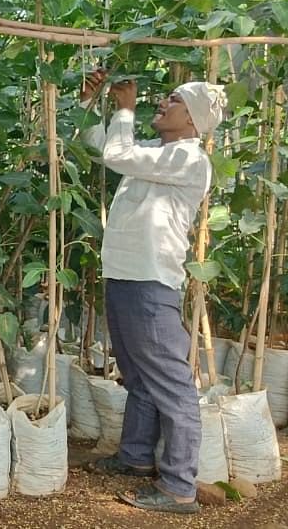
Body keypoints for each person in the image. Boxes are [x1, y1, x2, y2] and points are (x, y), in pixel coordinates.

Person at [79, 69, 225, 514]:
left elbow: (116, 154)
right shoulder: (158, 155)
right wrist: (91, 103)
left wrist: (124, 109)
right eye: (165, 98)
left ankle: (180, 486)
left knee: (170, 384)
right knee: (139, 376)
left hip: (150, 281)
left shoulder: (188, 158)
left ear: (194, 121)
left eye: (174, 101)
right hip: (126, 274)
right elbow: (100, 147)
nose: (163, 104)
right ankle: (137, 457)